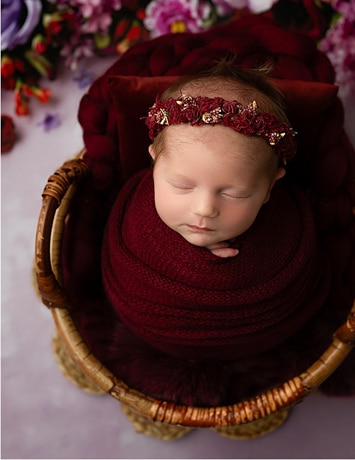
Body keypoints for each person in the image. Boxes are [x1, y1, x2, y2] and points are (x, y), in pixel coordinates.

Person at [101, 60, 328, 362]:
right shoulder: (135, 204)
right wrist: (184, 257)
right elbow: (122, 258)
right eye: (182, 186)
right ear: (154, 162)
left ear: (270, 188)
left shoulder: (288, 226)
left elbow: (302, 283)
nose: (204, 209)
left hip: (254, 340)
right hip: (151, 329)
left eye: (234, 193)